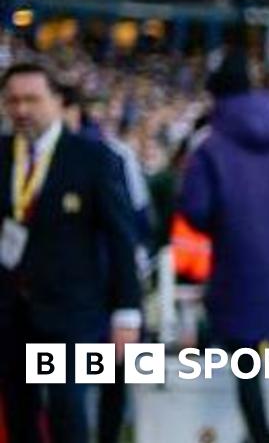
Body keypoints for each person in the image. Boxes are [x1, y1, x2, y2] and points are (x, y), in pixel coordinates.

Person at [177, 52, 269, 443]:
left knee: (247, 367)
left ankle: (262, 437)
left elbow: (194, 210)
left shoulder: (210, 146)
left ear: (216, 96)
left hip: (237, 273)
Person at [0, 63, 141, 443]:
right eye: (13, 100)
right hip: (11, 313)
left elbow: (121, 239)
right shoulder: (2, 155)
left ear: (58, 102)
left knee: (67, 410)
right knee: (17, 412)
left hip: (72, 313)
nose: (22, 109)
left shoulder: (93, 158)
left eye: (32, 99)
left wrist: (127, 312)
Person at [60, 85, 152, 443]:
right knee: (67, 385)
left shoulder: (114, 154)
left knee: (115, 376)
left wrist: (129, 295)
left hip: (111, 287)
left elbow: (139, 225)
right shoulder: (29, 157)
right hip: (67, 293)